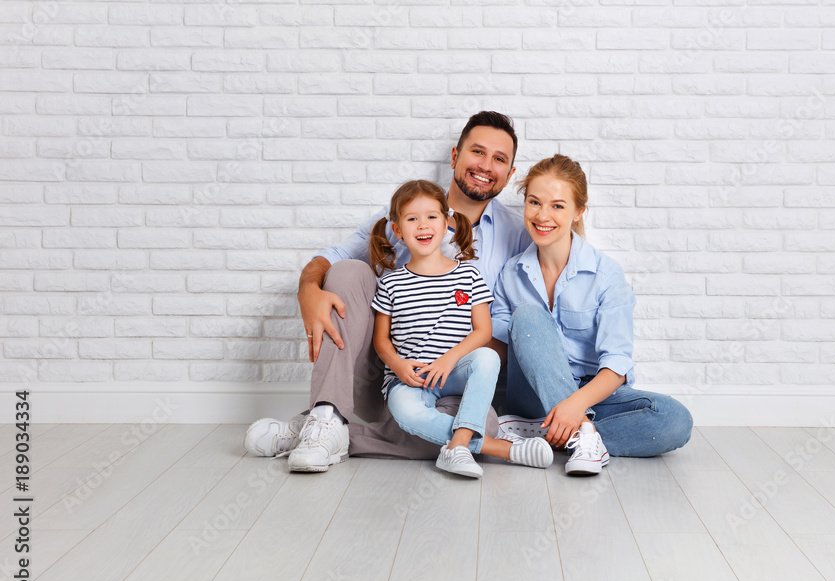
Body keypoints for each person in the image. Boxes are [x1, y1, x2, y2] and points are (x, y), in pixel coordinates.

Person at [244, 112, 532, 470]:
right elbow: (335, 256)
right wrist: (307, 290)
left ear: (510, 172)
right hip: (389, 377)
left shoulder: (519, 234)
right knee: (349, 271)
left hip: (454, 382)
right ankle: (328, 412)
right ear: (455, 156)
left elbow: (509, 330)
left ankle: (322, 434)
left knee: (478, 425)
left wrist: (447, 359)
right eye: (477, 152)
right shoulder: (412, 210)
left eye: (499, 159)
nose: (486, 166)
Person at [491, 155, 693, 476]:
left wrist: (574, 406)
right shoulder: (510, 273)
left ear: (578, 212)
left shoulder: (606, 274)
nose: (543, 215)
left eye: (558, 206)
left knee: (674, 420)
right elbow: (500, 348)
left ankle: (553, 431)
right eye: (534, 202)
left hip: (593, 392)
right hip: (531, 395)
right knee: (528, 316)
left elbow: (616, 363)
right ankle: (581, 436)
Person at [368, 180, 552, 477]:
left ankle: (458, 447)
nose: (422, 225)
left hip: (453, 370)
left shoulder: (468, 274)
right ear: (398, 230)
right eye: (412, 218)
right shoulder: (390, 283)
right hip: (411, 378)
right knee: (406, 411)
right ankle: (494, 447)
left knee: (488, 357)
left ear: (446, 222)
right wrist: (398, 366)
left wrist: (449, 359)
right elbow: (381, 341)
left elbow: (483, 331)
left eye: (431, 217)